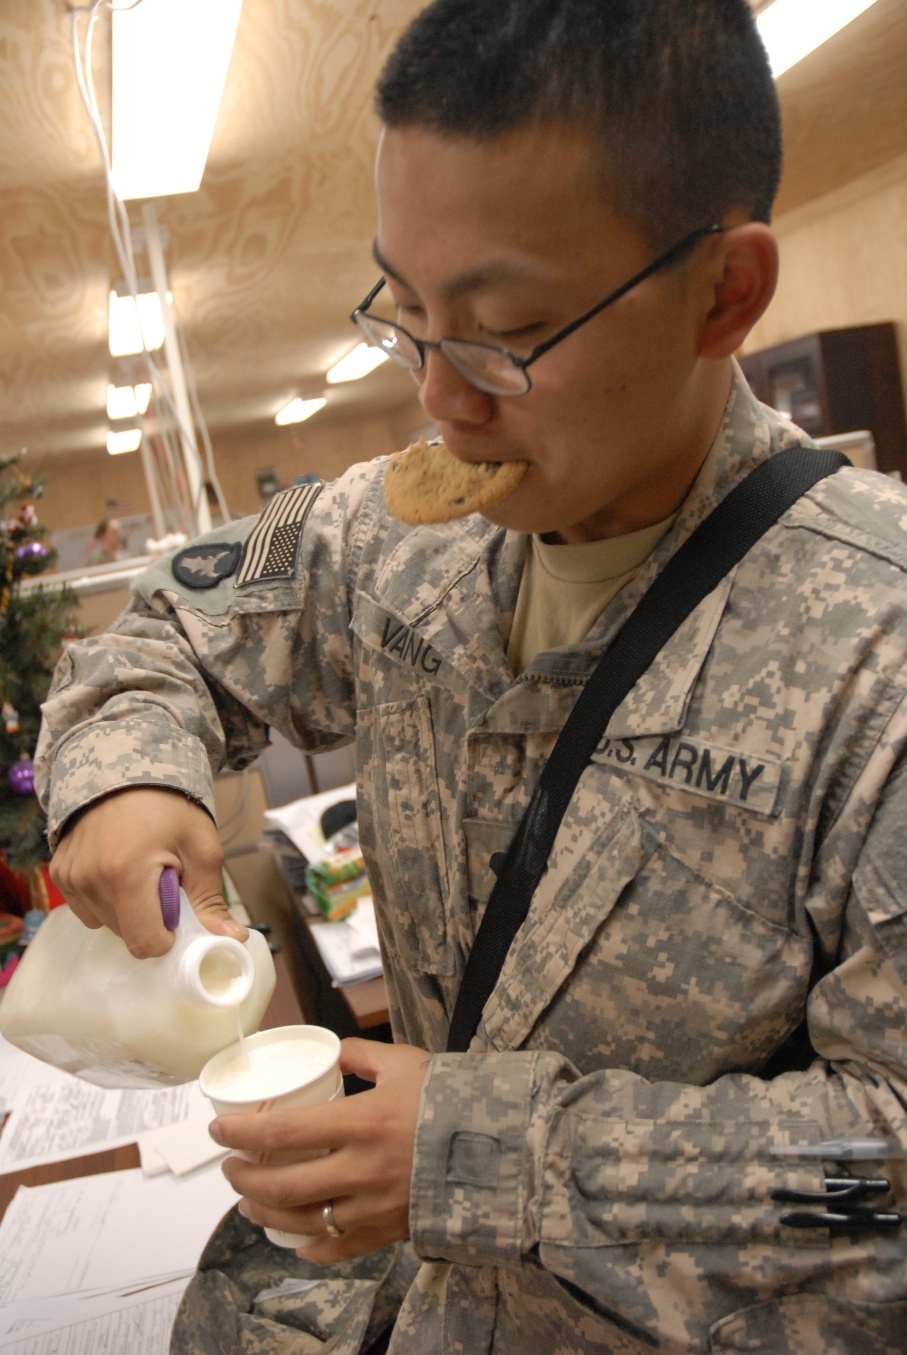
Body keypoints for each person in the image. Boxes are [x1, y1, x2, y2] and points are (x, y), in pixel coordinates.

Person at [36, 2, 907, 1351]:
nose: (439, 402)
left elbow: (888, 1169)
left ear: (726, 292)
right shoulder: (385, 527)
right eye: (407, 308)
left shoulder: (878, 647)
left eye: (504, 330)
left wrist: (483, 1152)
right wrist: (128, 776)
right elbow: (165, 624)